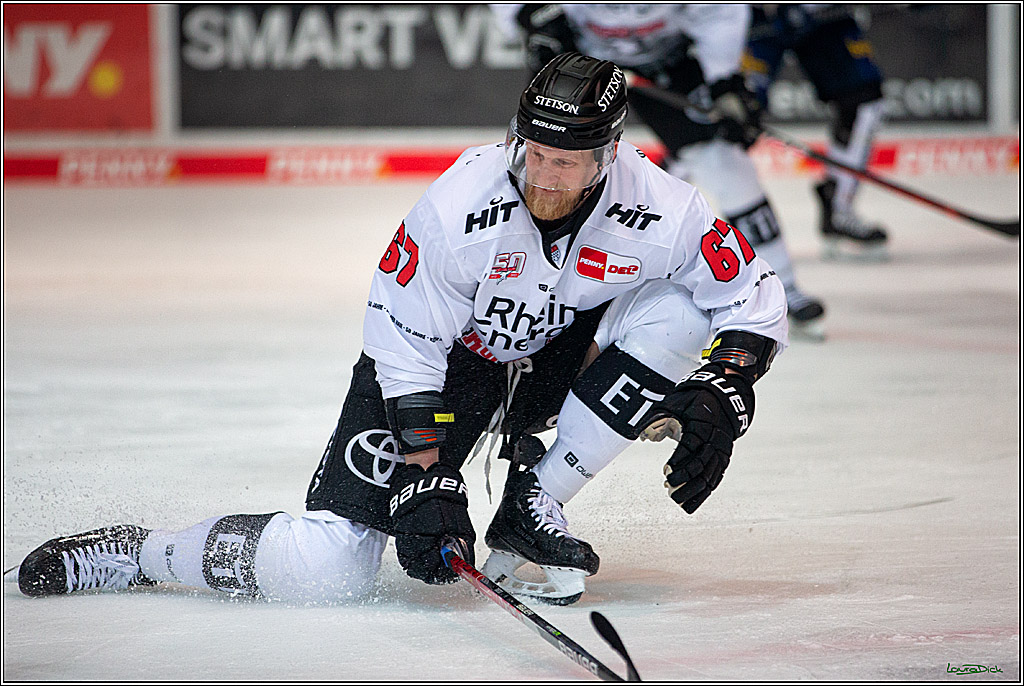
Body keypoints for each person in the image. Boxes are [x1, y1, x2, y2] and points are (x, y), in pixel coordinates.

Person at [9, 53, 787, 607]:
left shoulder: (665, 207)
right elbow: (403, 337)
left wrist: (724, 390)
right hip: (449, 367)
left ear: (610, 156)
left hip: (555, 357)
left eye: (568, 162)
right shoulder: (461, 205)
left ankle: (529, 512)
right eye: (536, 154)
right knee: (330, 569)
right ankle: (142, 553)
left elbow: (752, 297)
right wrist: (425, 471)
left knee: (687, 310)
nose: (546, 177)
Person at [492, 3, 827, 339]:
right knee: (548, 163)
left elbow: (720, 13)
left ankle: (779, 285)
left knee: (724, 162)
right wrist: (532, 14)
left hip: (667, 60)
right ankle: (525, 280)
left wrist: (724, 81)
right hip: (576, 60)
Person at [744, 4, 889, 261]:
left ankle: (839, 207)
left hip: (824, 17)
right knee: (729, 112)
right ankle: (662, 207)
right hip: (754, 15)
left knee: (863, 98)